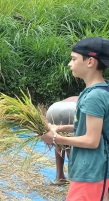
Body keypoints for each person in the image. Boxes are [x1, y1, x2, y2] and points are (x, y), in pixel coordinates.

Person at [41, 37, 109, 201]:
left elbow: (92, 140)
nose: (70, 64)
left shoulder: (95, 96)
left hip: (92, 172)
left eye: (73, 59)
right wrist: (61, 129)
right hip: (88, 170)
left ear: (90, 61)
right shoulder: (94, 90)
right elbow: (91, 127)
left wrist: (56, 138)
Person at [46, 96, 78, 186]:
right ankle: (74, 178)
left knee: (58, 139)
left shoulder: (82, 95)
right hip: (72, 110)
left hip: (54, 109)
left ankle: (59, 177)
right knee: (70, 142)